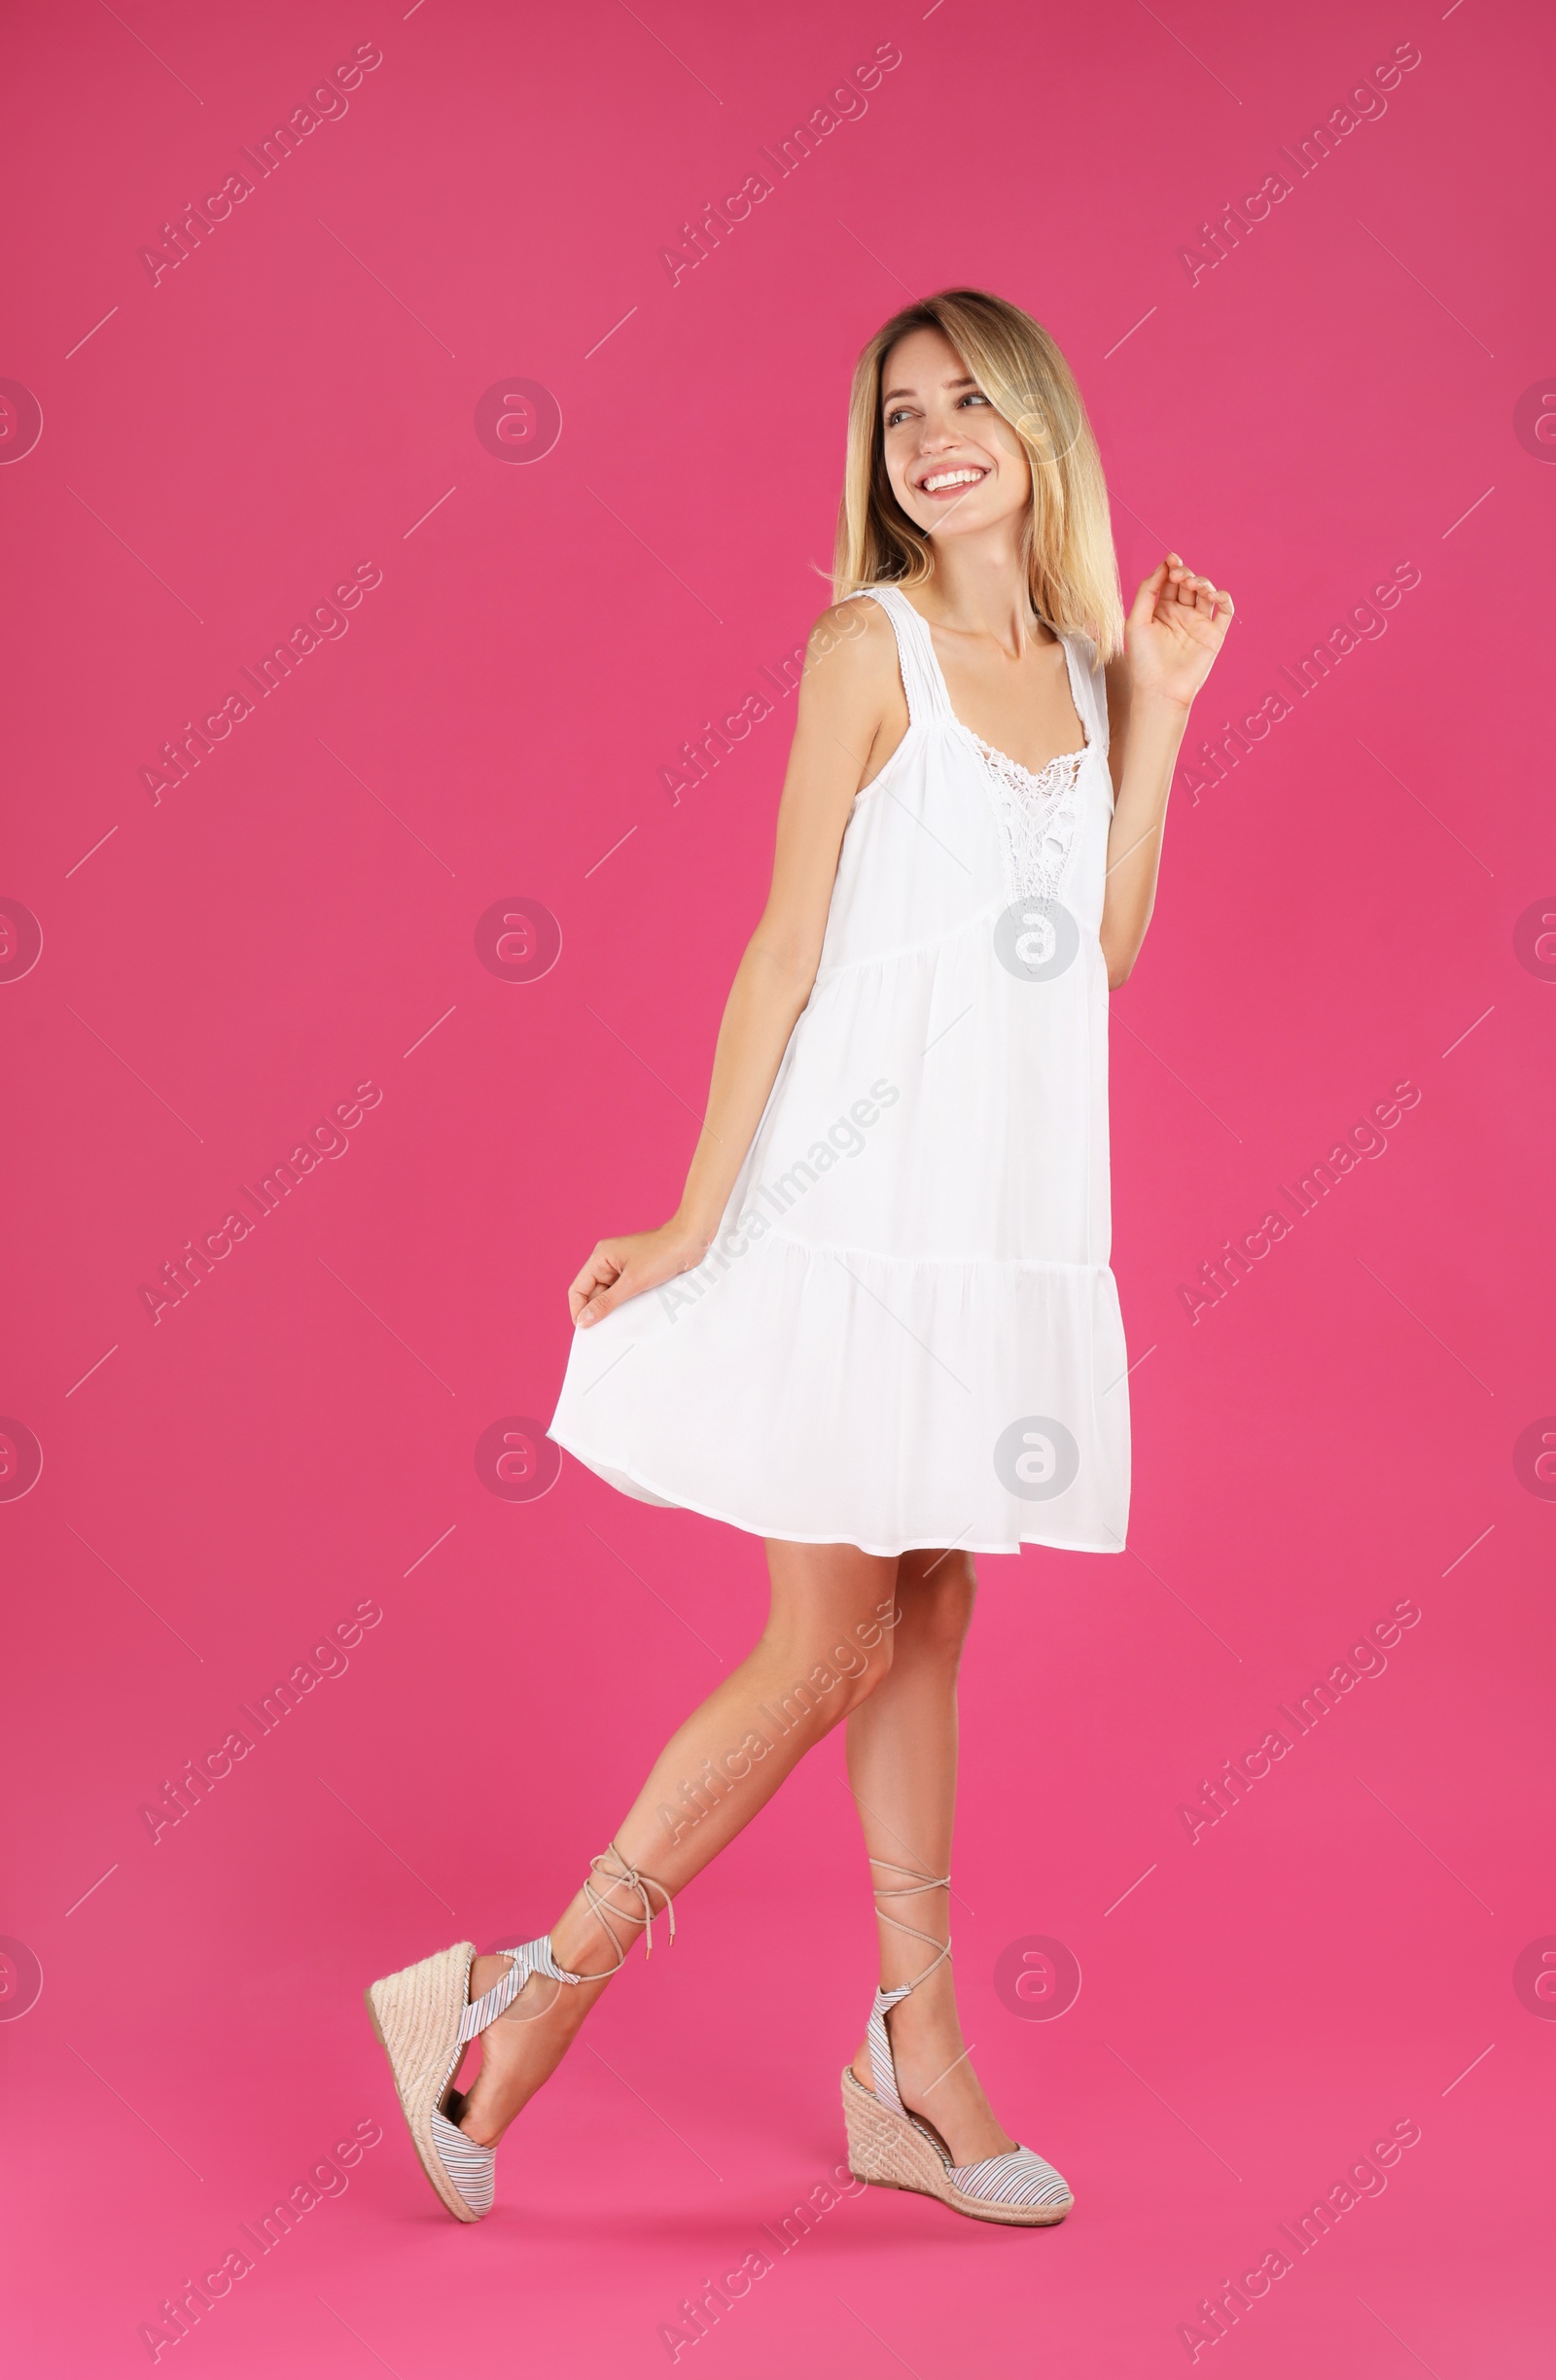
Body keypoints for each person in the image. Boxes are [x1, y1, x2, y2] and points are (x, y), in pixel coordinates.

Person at [367, 288, 1233, 2228]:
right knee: (831, 1635)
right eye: (899, 411)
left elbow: (1090, 956)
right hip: (844, 1204)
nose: (932, 436)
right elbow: (779, 945)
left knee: (930, 1612)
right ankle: (514, 2008)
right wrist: (691, 1211)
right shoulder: (867, 648)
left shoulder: (1092, 673)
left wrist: (1159, 717)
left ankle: (910, 2066)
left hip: (991, 1216)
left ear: (1033, 428)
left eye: (966, 402)